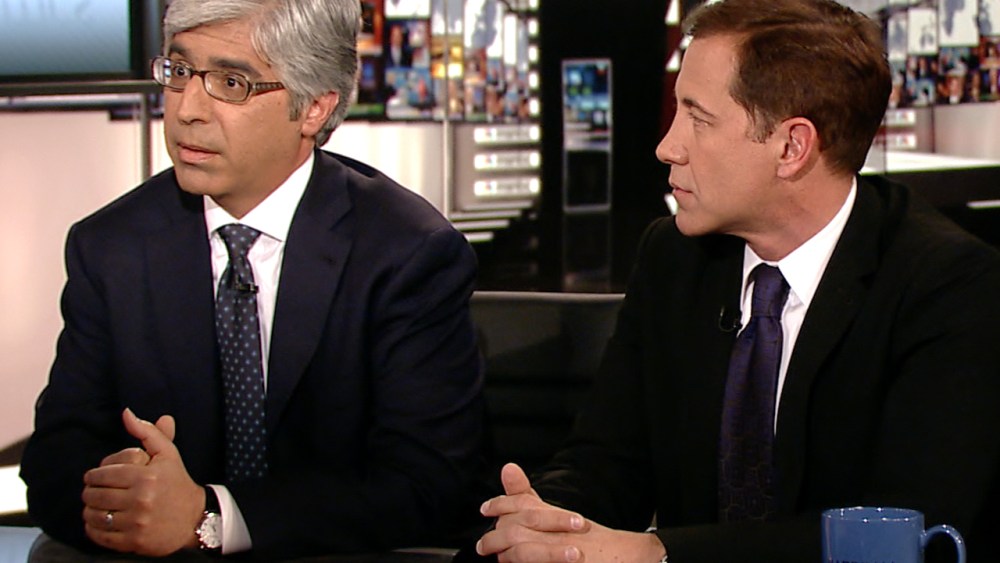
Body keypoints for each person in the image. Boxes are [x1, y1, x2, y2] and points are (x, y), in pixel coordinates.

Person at [473, 0, 1000, 561]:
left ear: (791, 147)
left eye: (698, 119)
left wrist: (656, 554)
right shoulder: (674, 256)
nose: (667, 147)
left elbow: (903, 529)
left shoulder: (949, 285)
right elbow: (608, 462)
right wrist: (545, 526)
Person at [19, 0, 484, 559]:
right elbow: (53, 465)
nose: (187, 109)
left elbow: (427, 483)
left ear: (313, 107)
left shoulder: (406, 253)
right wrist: (125, 496)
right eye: (179, 71)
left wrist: (210, 517)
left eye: (231, 83)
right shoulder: (111, 247)